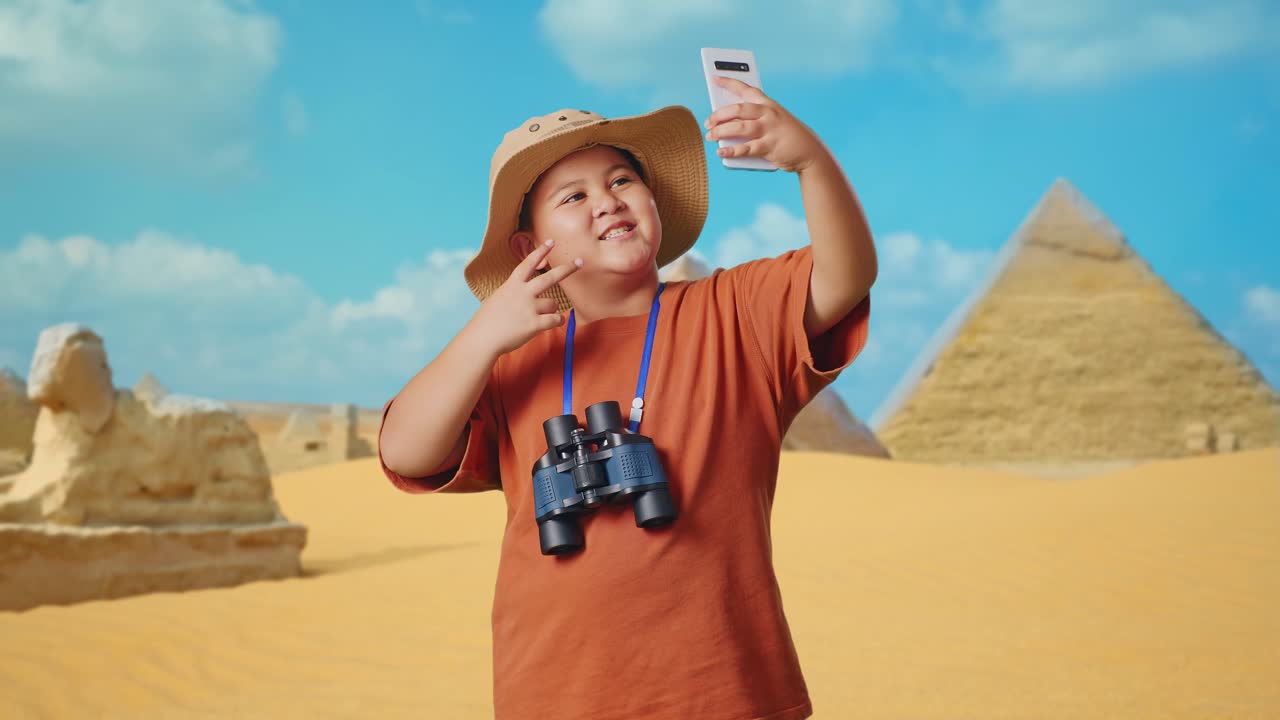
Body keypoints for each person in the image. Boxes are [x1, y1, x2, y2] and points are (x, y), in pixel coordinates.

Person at [379, 76, 877, 720]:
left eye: (621, 181)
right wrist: (482, 339)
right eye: (573, 195)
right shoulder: (510, 364)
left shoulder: (734, 313)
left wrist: (810, 161)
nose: (606, 202)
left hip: (725, 688)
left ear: (654, 202)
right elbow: (406, 452)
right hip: (555, 691)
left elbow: (845, 276)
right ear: (531, 249)